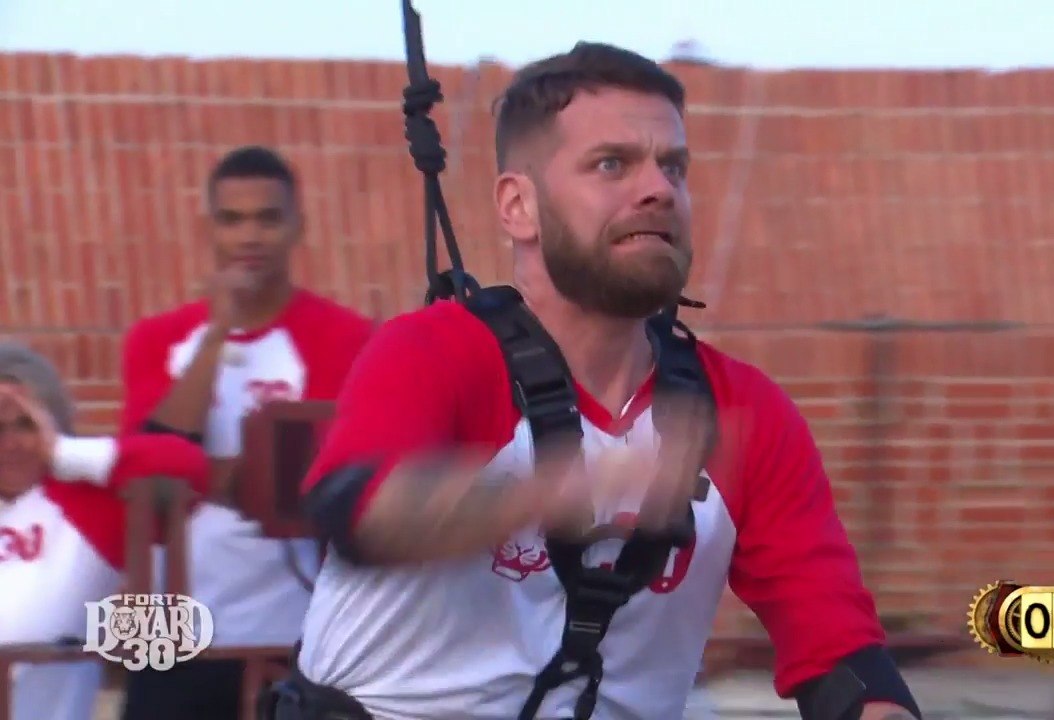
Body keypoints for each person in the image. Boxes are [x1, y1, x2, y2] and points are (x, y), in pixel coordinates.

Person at [277, 43, 921, 720]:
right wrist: (557, 488)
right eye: (612, 164)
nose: (658, 189)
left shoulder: (742, 414)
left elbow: (839, 654)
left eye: (673, 166)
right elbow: (361, 513)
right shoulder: (435, 352)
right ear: (518, 206)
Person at [116, 146, 375, 719]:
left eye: (268, 218)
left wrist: (216, 475)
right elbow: (150, 473)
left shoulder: (347, 337)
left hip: (294, 626)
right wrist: (217, 334)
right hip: (167, 626)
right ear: (209, 229)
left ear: (297, 227)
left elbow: (334, 476)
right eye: (232, 220)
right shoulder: (156, 339)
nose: (250, 237)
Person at [0, 342, 210, 720]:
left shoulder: (86, 502)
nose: (12, 444)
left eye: (26, 425)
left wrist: (64, 452)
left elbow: (187, 466)